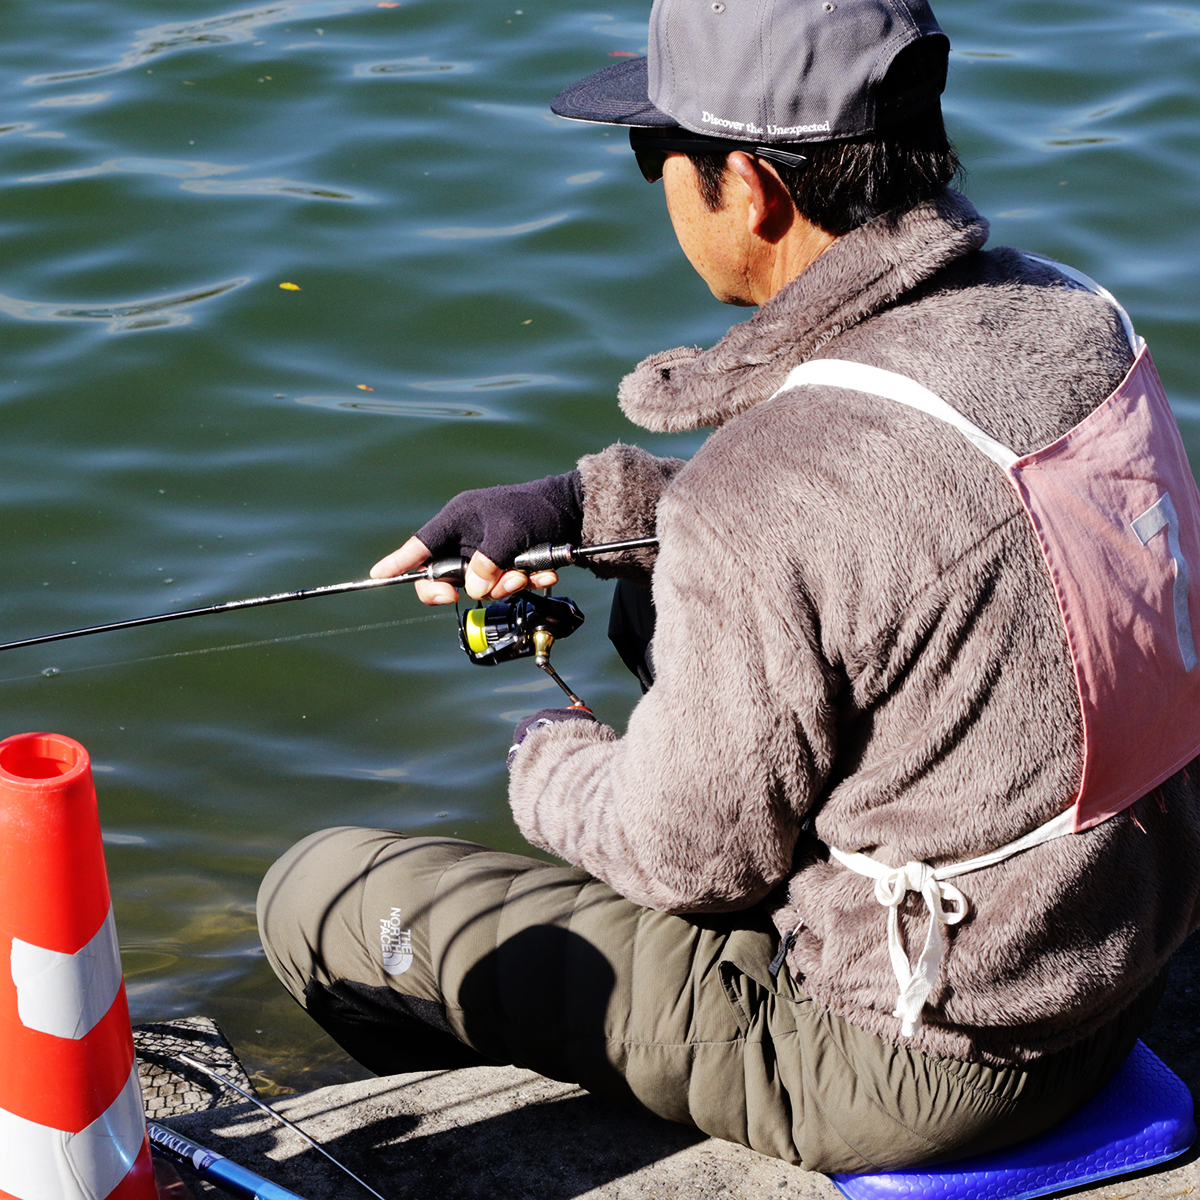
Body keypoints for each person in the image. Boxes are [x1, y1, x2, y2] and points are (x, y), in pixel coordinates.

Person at [257, 0, 1200, 1174]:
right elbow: (885, 513)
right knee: (658, 602)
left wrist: (547, 752)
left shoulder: (766, 490)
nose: (654, 181)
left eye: (654, 152)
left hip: (925, 1049)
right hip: (1117, 947)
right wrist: (574, 507)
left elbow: (685, 859)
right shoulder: (1069, 317)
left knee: (319, 898)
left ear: (749, 187)